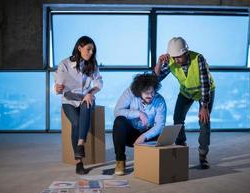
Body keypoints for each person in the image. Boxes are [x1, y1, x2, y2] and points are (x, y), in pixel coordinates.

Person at [153, 37, 215, 169]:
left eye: (178, 57)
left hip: (205, 92)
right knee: (177, 119)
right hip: (186, 92)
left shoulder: (198, 59)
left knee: (204, 121)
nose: (175, 60)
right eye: (173, 57)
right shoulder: (172, 60)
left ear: (186, 53)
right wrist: (159, 62)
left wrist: (204, 106)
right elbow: (156, 78)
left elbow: (205, 84)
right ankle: (181, 147)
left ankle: (203, 156)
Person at [54, 36, 103, 175]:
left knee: (87, 103)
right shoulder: (64, 64)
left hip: (85, 99)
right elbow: (57, 84)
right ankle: (79, 162)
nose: (91, 52)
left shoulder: (93, 64)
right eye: (88, 49)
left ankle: (80, 146)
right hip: (68, 100)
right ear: (79, 48)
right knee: (75, 123)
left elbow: (99, 83)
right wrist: (56, 88)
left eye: (93, 50)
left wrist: (90, 93)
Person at [113, 73, 167, 175]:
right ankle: (120, 161)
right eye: (147, 93)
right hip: (130, 134)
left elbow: (160, 125)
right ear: (139, 92)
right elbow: (117, 111)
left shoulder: (159, 100)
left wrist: (144, 136)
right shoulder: (129, 93)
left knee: (162, 134)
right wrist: (138, 113)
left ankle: (150, 162)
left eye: (152, 92)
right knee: (119, 121)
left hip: (147, 135)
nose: (150, 95)